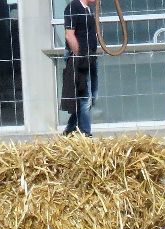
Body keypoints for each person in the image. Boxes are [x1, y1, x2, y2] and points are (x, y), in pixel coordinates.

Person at [61, 0, 98, 136]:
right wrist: (80, 56)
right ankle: (85, 133)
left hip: (91, 57)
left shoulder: (88, 9)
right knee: (85, 97)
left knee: (92, 95)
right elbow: (69, 35)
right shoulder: (73, 7)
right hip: (81, 59)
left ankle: (70, 129)